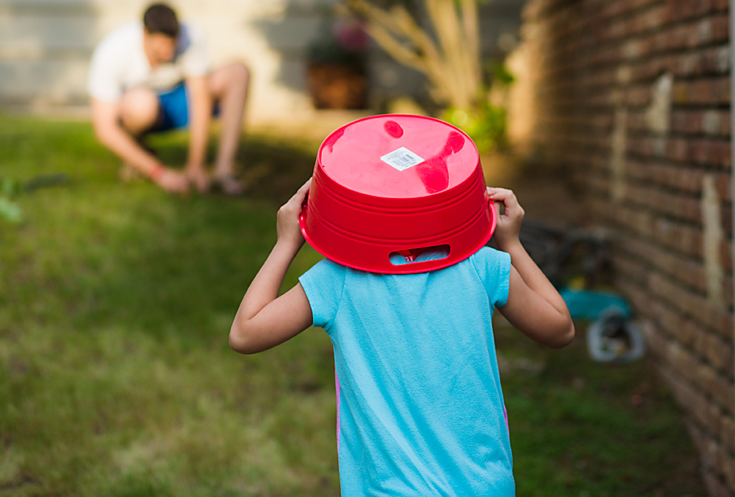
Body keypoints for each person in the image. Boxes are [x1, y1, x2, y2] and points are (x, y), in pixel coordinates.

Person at [229, 176, 576, 495]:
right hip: (483, 485)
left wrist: (287, 242)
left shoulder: (337, 280)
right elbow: (560, 327)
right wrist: (511, 243)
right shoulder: (482, 265)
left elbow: (246, 332)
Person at [87, 2, 250, 195]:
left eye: (172, 44)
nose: (168, 52)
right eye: (161, 45)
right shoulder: (113, 49)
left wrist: (195, 164)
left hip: (179, 102)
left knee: (238, 72)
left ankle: (222, 171)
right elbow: (104, 129)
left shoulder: (191, 37)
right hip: (141, 109)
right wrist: (160, 173)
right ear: (145, 35)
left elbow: (200, 99)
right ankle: (140, 156)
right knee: (141, 104)